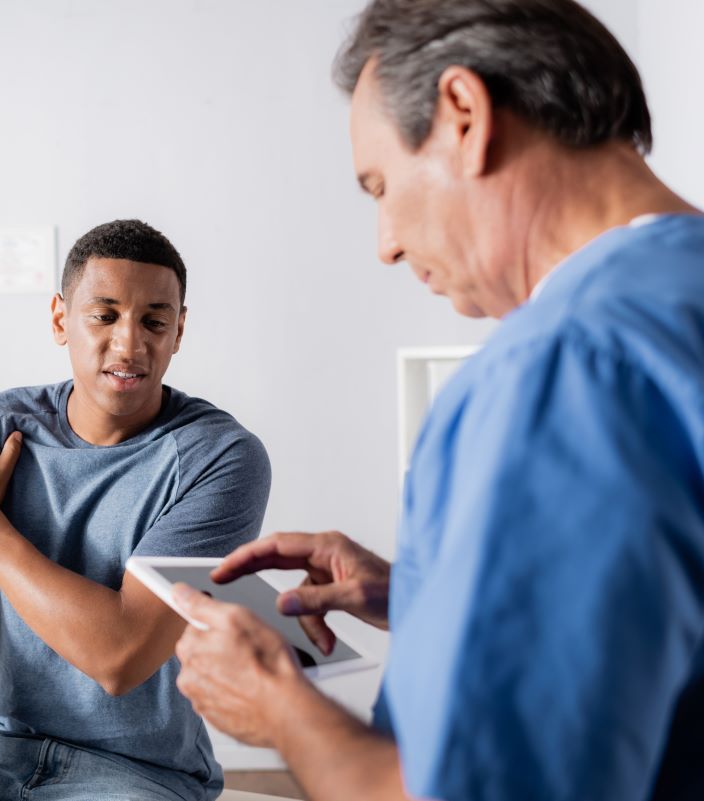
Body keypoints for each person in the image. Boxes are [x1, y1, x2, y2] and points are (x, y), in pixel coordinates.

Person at [172, 1, 704, 800]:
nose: (385, 243)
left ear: (463, 114)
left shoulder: (558, 370)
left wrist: (277, 704)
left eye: (381, 186)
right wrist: (436, 596)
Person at [0, 219, 272, 801]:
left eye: (154, 321)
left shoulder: (220, 458)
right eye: (104, 315)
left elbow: (120, 656)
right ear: (61, 319)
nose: (129, 345)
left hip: (136, 774)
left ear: (179, 330)